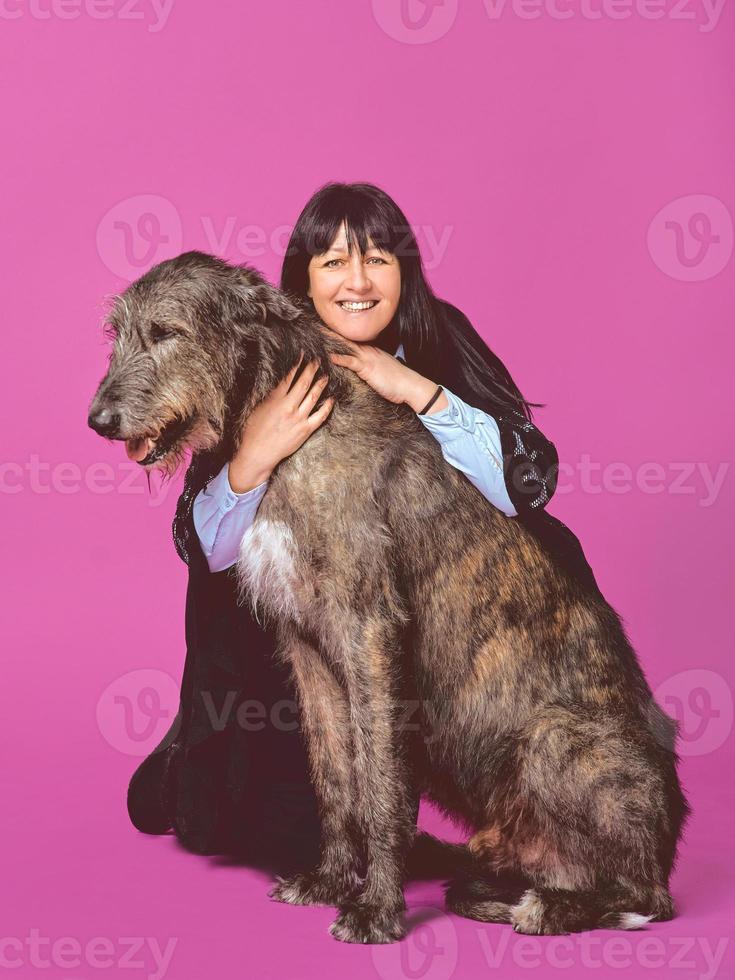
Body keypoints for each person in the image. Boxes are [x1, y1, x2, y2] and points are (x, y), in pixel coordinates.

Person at [126, 182, 601, 871]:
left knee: (551, 547)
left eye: (377, 259)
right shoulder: (259, 351)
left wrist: (415, 390)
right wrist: (252, 457)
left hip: (428, 615)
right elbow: (202, 549)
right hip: (299, 640)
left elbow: (527, 488)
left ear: (404, 273)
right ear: (302, 283)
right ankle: (200, 755)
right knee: (265, 828)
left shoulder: (441, 337)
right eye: (331, 263)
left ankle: (544, 790)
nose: (356, 281)